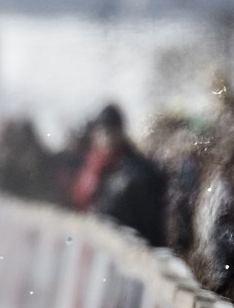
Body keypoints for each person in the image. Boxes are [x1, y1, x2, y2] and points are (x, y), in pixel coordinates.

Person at [70, 104, 166, 245]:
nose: (106, 136)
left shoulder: (138, 172)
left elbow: (151, 225)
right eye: (102, 130)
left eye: (110, 130)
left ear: (121, 132)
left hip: (129, 250)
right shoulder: (90, 169)